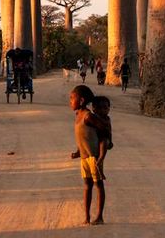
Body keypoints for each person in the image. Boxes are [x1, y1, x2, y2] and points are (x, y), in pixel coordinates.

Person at [69, 85, 107, 225]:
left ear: (81, 100)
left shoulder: (88, 116)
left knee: (98, 185)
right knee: (87, 186)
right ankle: (87, 216)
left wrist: (107, 143)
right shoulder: (78, 116)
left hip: (94, 157)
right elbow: (83, 138)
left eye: (72, 98)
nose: (70, 101)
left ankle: (100, 216)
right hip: (84, 158)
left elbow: (103, 128)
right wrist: (78, 152)